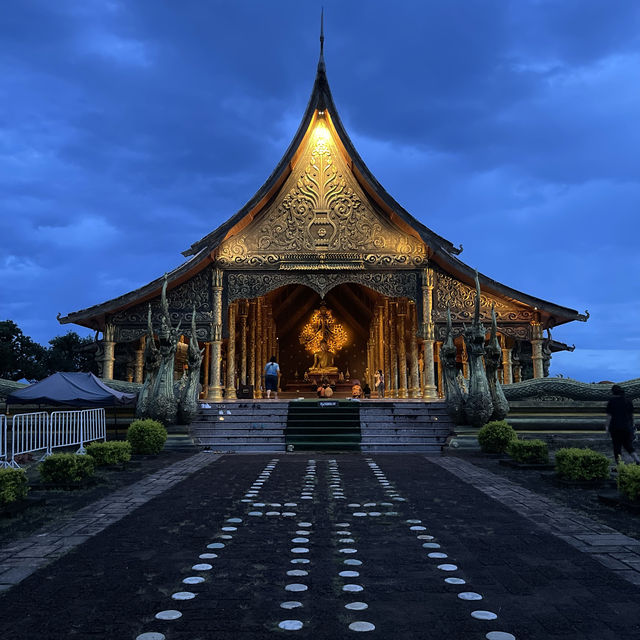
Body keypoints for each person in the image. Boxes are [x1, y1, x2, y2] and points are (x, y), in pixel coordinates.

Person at [606, 384, 639, 465]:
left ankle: (620, 465)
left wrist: (607, 426)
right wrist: (632, 426)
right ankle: (637, 460)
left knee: (617, 447)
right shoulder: (628, 401)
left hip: (615, 427)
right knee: (628, 446)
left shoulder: (611, 401)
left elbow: (609, 416)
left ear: (613, 392)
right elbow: (631, 416)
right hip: (626, 427)